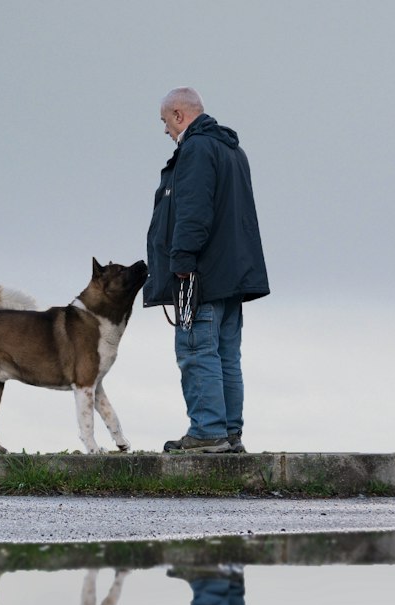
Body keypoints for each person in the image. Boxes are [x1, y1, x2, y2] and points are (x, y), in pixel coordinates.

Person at [144, 88, 270, 454]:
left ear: (180, 115)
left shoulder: (197, 149)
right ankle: (229, 433)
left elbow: (193, 210)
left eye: (166, 122)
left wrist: (180, 263)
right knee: (226, 355)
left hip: (201, 277)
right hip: (232, 278)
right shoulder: (233, 151)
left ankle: (207, 432)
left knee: (197, 351)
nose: (166, 131)